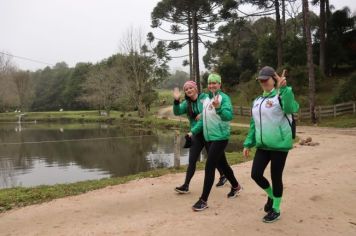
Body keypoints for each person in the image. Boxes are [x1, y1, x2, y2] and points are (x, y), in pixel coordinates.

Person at [243, 66, 299, 223]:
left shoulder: (281, 96)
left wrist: (285, 89)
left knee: (276, 177)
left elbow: (291, 108)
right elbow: (254, 125)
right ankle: (271, 195)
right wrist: (248, 143)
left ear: (273, 80)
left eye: (266, 79)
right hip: (262, 145)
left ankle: (276, 209)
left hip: (279, 145)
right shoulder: (257, 101)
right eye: (260, 80)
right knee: (255, 174)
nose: (263, 82)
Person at [190, 73, 242, 211]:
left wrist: (218, 107)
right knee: (223, 165)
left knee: (209, 166)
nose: (212, 85)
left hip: (220, 137)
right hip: (209, 139)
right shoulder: (206, 99)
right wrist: (193, 132)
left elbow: (228, 116)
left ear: (220, 84)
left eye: (215, 83)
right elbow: (203, 120)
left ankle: (203, 200)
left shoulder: (224, 98)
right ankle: (236, 186)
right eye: (210, 83)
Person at [173, 80, 227, 194]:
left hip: (208, 133)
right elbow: (177, 112)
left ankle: (224, 176)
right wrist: (176, 101)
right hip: (196, 135)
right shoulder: (186, 103)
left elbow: (207, 114)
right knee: (192, 160)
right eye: (186, 89)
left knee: (214, 159)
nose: (188, 90)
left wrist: (202, 115)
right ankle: (186, 185)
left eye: (190, 88)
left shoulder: (205, 98)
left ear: (196, 89)